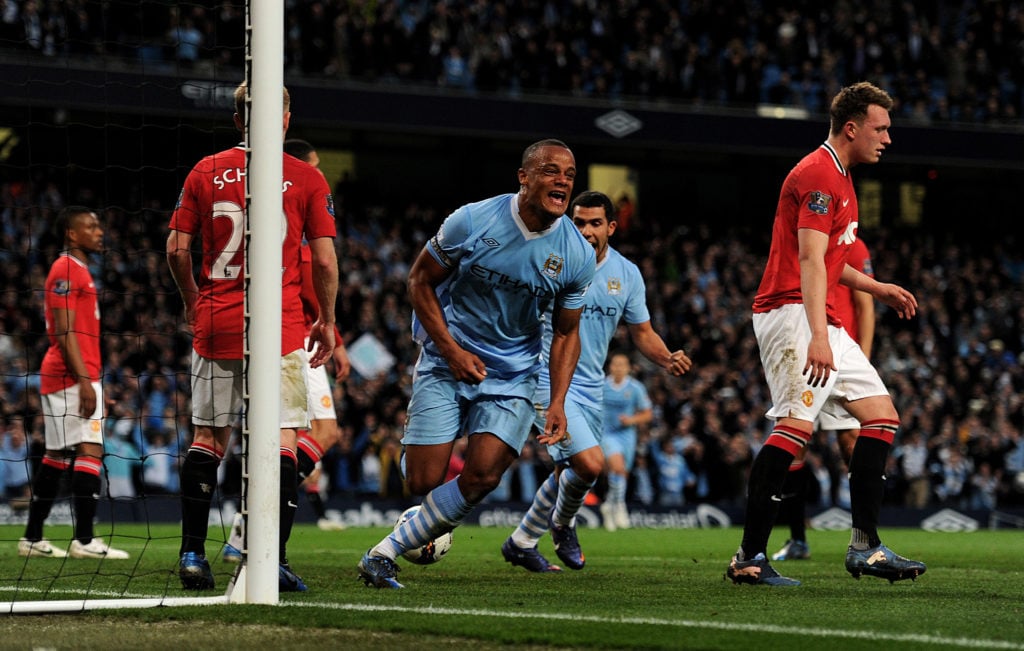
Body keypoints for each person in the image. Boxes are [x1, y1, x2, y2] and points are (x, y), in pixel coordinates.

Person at [357, 139, 596, 589]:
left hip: (514, 375)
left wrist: (559, 399)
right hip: (448, 358)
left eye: (569, 173)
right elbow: (419, 281)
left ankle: (384, 552)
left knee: (484, 475)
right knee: (421, 480)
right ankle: (425, 519)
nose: (562, 180)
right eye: (550, 170)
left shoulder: (577, 255)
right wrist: (449, 349)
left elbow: (566, 333)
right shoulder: (472, 219)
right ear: (523, 177)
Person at [726, 81, 926, 587]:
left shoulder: (840, 177)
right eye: (880, 129)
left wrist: (876, 287)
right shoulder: (818, 176)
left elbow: (831, 262)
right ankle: (749, 557)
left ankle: (865, 546)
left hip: (817, 315)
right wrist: (818, 333)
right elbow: (811, 260)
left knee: (881, 416)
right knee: (795, 429)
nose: (887, 138)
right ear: (853, 127)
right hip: (791, 312)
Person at [167, 82, 339, 591]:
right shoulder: (306, 177)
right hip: (282, 327)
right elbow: (325, 260)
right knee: (283, 440)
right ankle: (271, 561)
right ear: (284, 119)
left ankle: (193, 555)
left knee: (207, 438)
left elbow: (177, 249)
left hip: (218, 321)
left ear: (238, 118)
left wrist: (193, 301)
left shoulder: (204, 169)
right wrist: (326, 319)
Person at [502, 190, 690, 572]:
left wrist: (665, 357)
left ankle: (522, 541)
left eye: (595, 223)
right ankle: (564, 523)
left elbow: (642, 332)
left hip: (592, 386)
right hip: (548, 378)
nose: (586, 231)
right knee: (589, 464)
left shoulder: (627, 274)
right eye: (579, 222)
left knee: (567, 471)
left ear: (612, 227)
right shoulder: (550, 261)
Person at [19, 206, 130, 560]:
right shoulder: (65, 269)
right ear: (71, 233)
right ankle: (84, 540)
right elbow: (65, 332)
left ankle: (33, 538)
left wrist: (93, 383)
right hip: (69, 376)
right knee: (89, 451)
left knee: (57, 455)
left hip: (76, 377)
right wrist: (85, 382)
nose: (99, 231)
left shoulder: (81, 270)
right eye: (91, 226)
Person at [772, 235, 874, 561]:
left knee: (852, 443)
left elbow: (865, 306)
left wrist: (864, 360)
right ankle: (798, 539)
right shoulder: (800, 243)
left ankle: (865, 539)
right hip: (802, 355)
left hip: (842, 354)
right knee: (794, 444)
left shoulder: (853, 246)